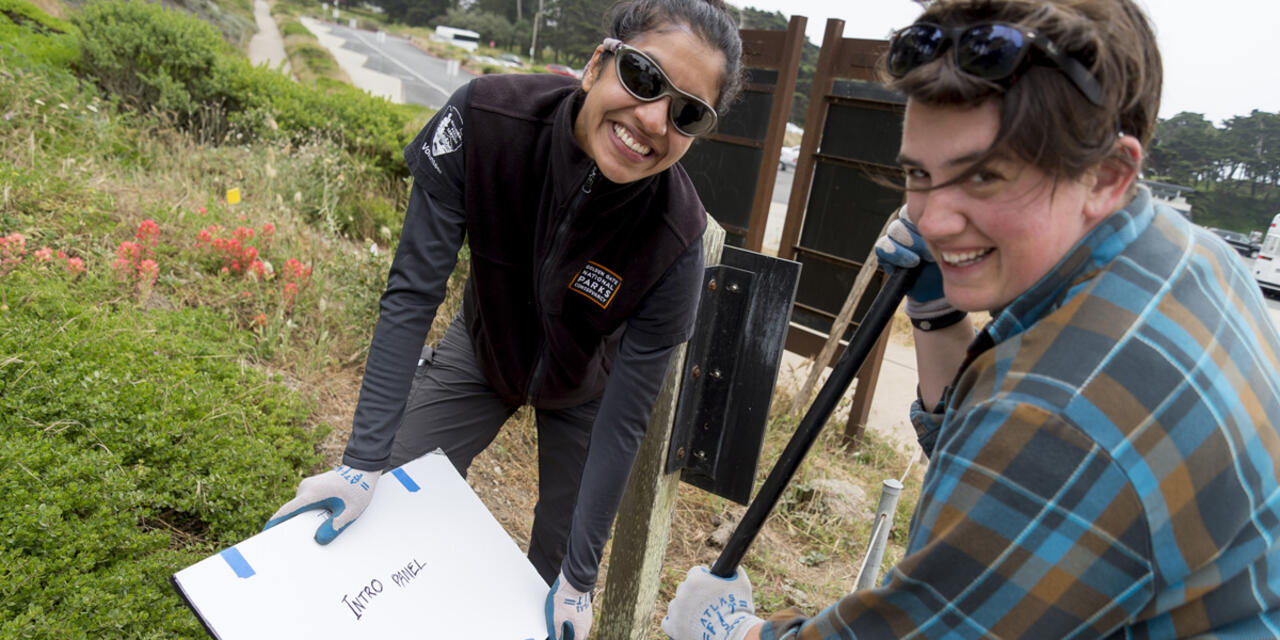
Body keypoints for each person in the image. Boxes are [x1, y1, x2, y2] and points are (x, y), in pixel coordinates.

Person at [663, 0, 1280, 638]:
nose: (931, 218)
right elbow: (977, 452)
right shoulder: (1192, 254)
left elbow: (1024, 457)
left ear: (1106, 175)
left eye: (984, 176)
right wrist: (933, 312)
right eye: (918, 173)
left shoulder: (1061, 421)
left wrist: (732, 631)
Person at [263, 1, 743, 638]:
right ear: (598, 63)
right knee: (379, 500)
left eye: (686, 112)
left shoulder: (675, 239)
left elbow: (628, 417)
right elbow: (412, 292)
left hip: (585, 389)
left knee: (553, 588)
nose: (652, 119)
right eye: (643, 77)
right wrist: (360, 460)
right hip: (483, 348)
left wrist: (580, 575)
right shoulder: (485, 119)